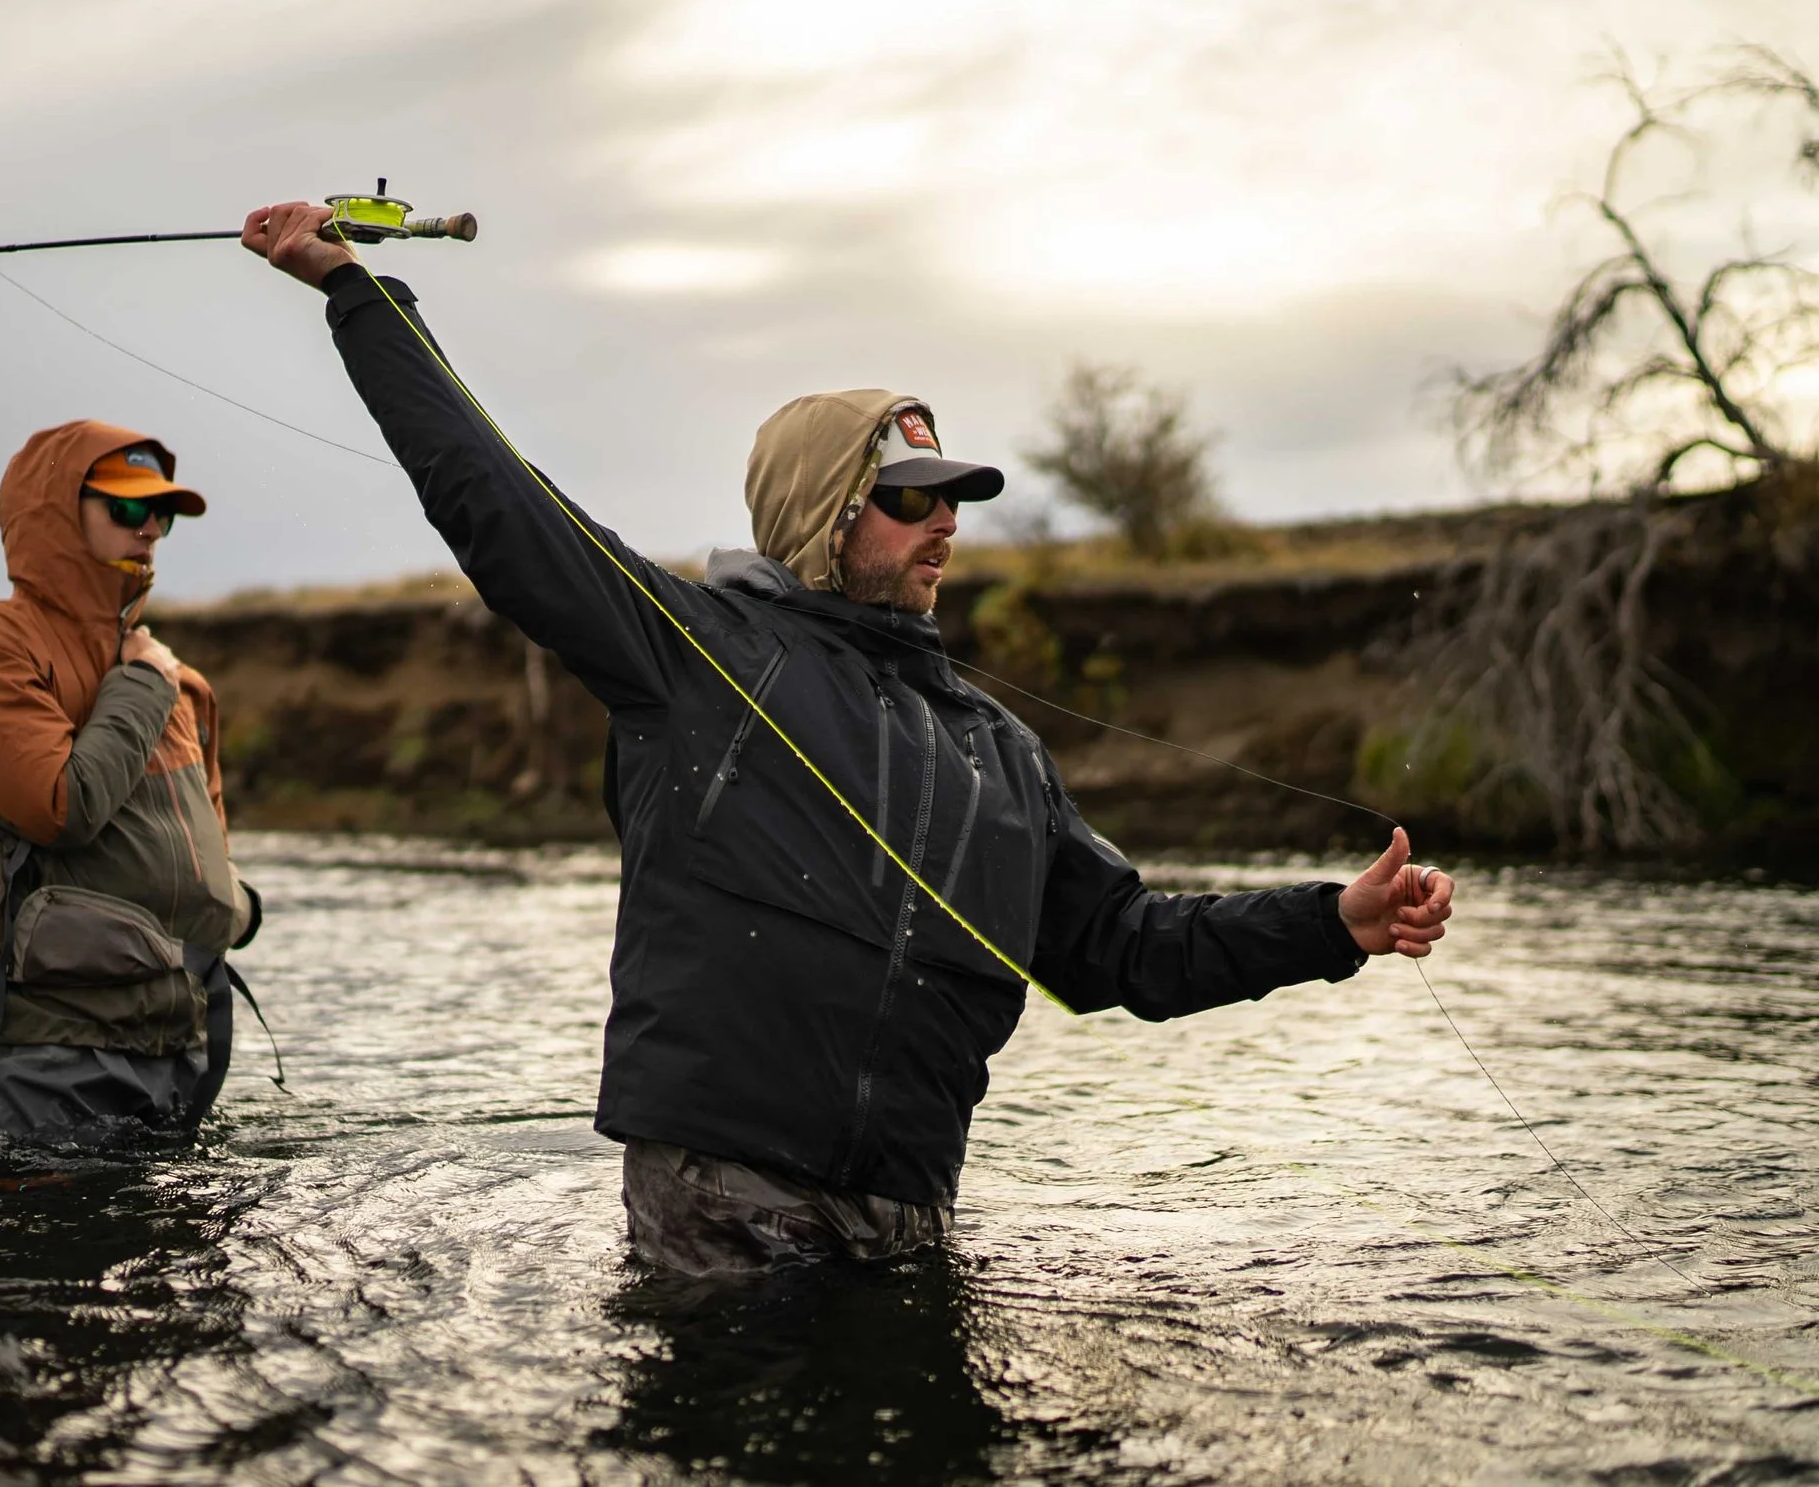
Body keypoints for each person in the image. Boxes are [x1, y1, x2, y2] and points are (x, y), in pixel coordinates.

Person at [239, 202, 1454, 1276]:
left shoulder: (998, 748)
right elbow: (494, 494)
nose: (943, 527)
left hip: (907, 1214)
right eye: (909, 497)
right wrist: (360, 292)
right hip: (728, 1199)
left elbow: (1117, 949)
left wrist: (1326, 922)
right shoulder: (689, 652)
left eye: (953, 501)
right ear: (827, 512)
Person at [0, 420, 261, 1140]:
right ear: (55, 511)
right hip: (59, 1046)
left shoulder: (179, 682)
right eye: (127, 509)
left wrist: (238, 910)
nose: (151, 530)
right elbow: (61, 807)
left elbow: (209, 856)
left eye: (161, 514)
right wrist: (139, 684)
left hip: (185, 1039)